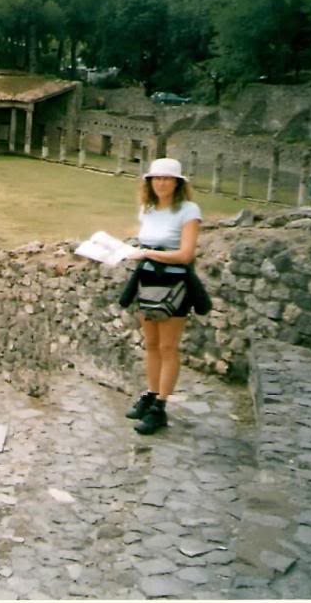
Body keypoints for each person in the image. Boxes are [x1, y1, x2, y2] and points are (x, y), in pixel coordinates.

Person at [122, 157, 203, 435]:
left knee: (168, 346)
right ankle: (151, 393)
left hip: (174, 284)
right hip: (148, 281)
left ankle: (161, 406)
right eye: (156, 178)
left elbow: (185, 254)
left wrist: (148, 253)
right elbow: (144, 242)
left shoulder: (188, 210)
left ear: (178, 183)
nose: (161, 183)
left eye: (167, 178)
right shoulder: (148, 208)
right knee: (152, 344)